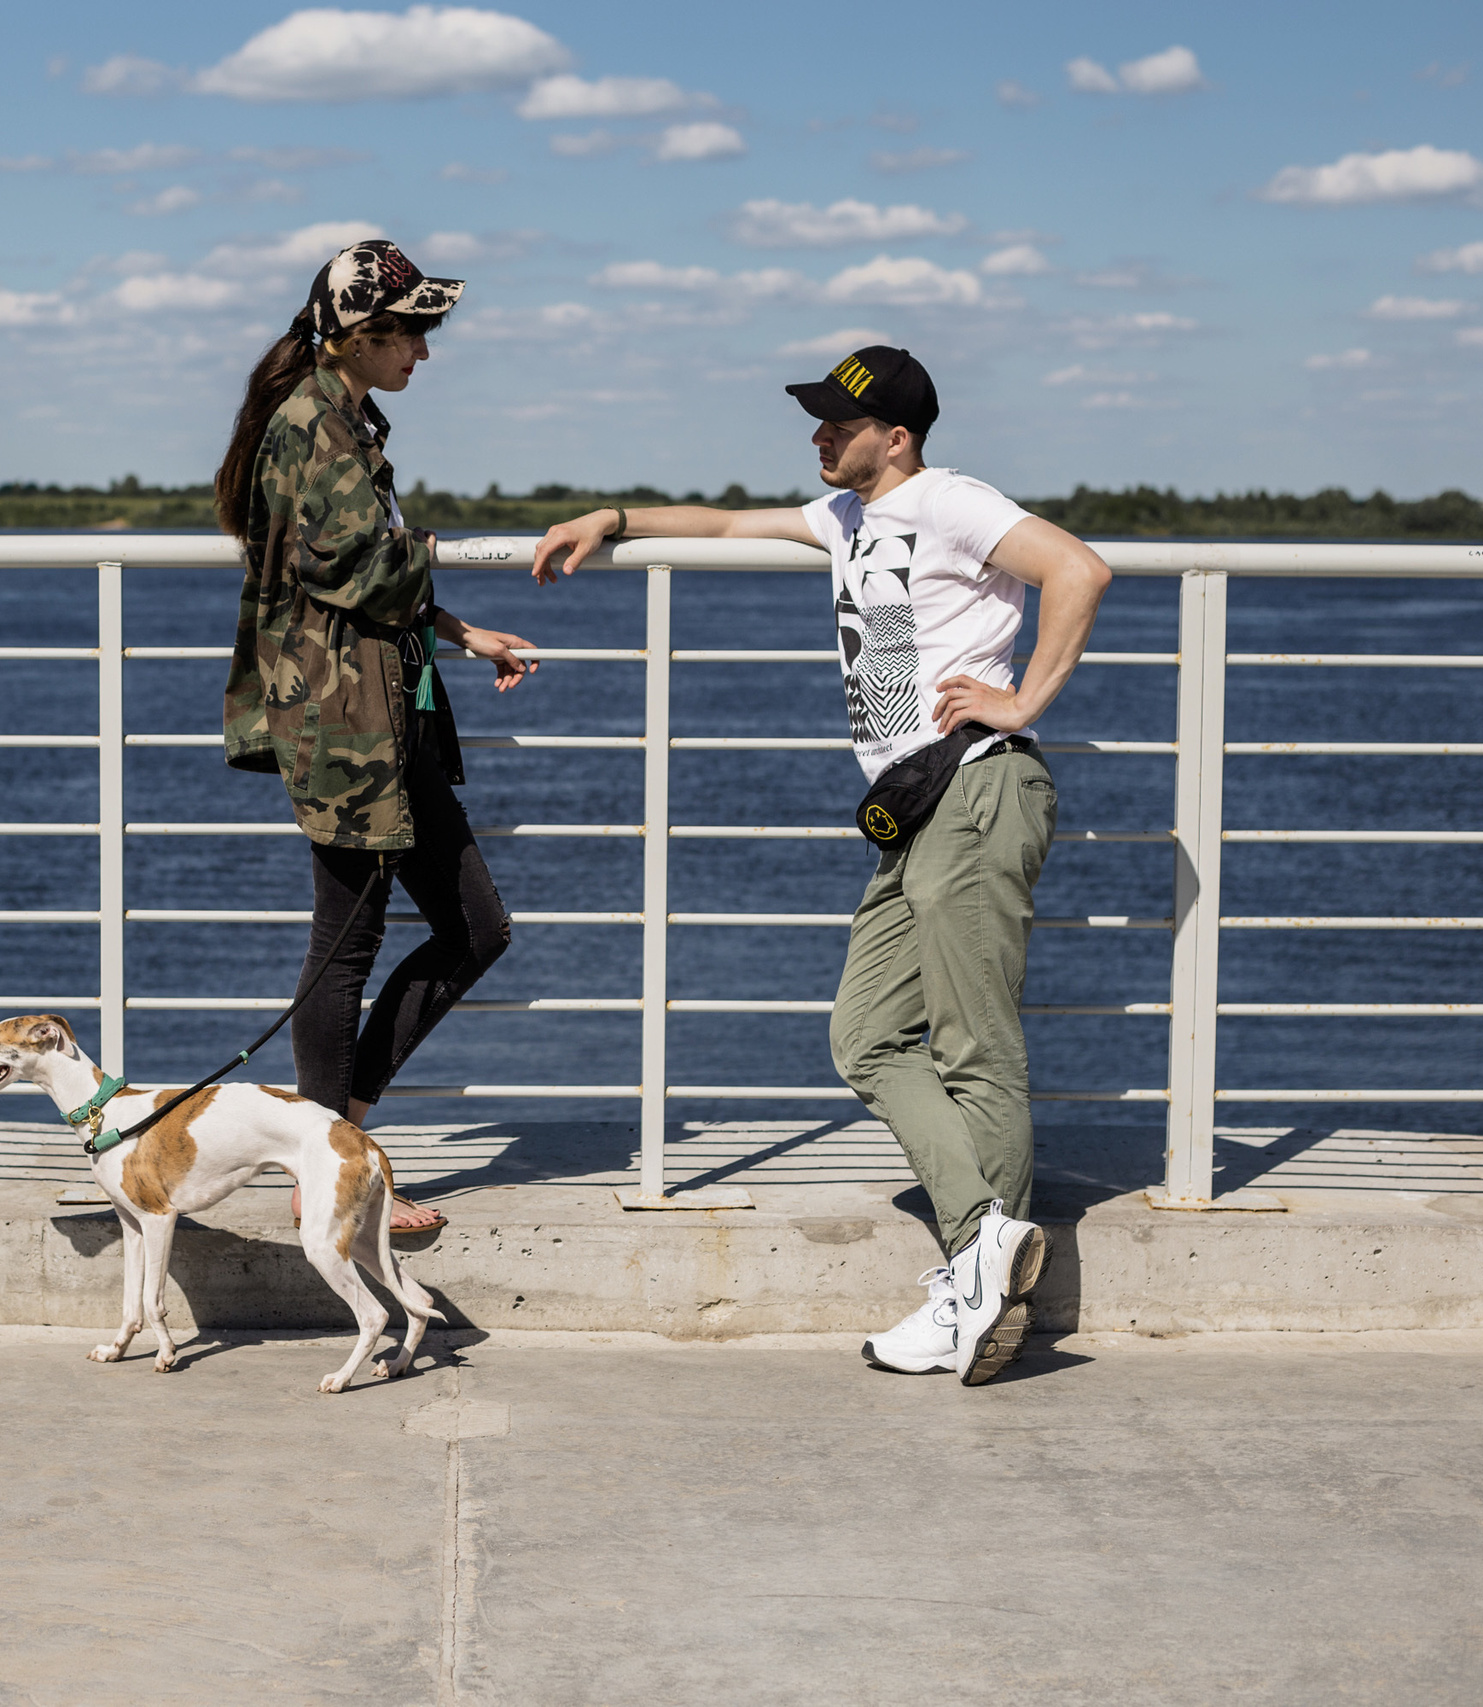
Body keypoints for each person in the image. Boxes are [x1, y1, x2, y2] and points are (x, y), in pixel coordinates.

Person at [531, 344, 1111, 1384]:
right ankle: (982, 1251)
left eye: (839, 426)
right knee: (864, 1036)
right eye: (816, 423)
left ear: (896, 437)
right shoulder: (842, 517)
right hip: (917, 806)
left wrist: (1022, 701)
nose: (818, 438)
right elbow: (717, 525)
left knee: (973, 1045)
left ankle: (978, 1279)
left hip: (977, 784)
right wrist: (607, 520)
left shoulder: (947, 500)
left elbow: (1078, 569)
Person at [218, 238, 542, 1233]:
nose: (424, 354)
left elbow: (365, 570)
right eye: (412, 333)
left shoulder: (344, 416)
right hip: (343, 721)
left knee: (474, 928)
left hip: (379, 711)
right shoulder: (311, 422)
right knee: (345, 946)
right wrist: (448, 560)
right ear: (363, 331)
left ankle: (341, 1146)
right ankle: (333, 1172)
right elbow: (355, 564)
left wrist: (456, 627)